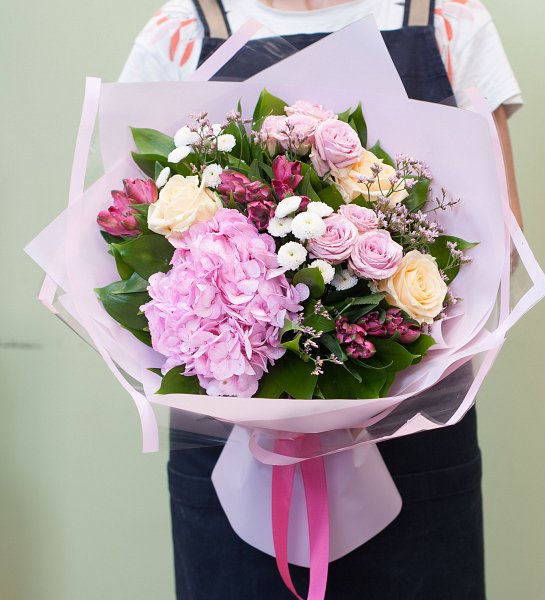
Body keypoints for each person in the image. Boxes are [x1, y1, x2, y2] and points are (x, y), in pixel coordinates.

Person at [120, 1, 524, 598]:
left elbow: (503, 239)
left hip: (414, 435)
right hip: (234, 447)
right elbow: (134, 229)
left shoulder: (448, 18)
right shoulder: (179, 30)